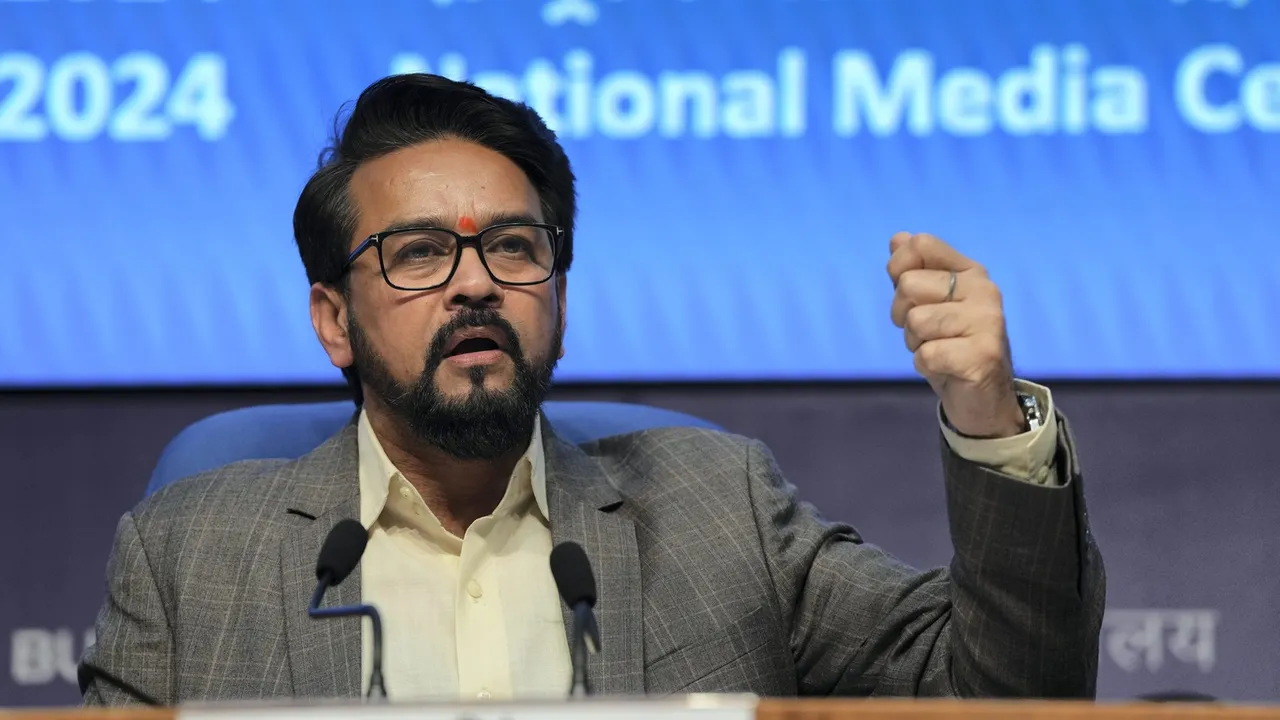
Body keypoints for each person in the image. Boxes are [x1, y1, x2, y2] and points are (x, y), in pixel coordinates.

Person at [80, 74, 1105, 705]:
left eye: (514, 247)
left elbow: (1010, 692)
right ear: (333, 320)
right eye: (419, 252)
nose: (476, 280)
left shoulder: (717, 510)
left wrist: (984, 416)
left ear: (557, 299)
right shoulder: (189, 555)